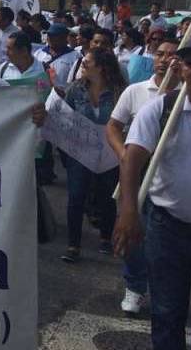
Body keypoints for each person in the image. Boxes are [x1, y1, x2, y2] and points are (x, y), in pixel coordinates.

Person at [114, 36, 191, 350]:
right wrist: (129, 212)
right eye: (189, 64)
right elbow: (131, 160)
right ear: (180, 68)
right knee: (166, 315)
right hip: (167, 230)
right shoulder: (160, 110)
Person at [105, 40, 179, 315]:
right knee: (132, 231)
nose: (165, 60)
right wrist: (124, 154)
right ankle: (135, 286)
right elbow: (113, 126)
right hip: (137, 175)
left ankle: (165, 291)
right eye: (160, 54)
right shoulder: (135, 91)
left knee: (165, 239)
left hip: (172, 180)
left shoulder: (187, 96)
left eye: (171, 55)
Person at [59, 48, 126, 264]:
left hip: (109, 154)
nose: (82, 66)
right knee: (76, 197)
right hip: (80, 152)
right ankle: (73, 245)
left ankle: (106, 238)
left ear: (102, 68)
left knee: (107, 197)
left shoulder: (119, 92)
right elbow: (64, 115)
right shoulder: (75, 89)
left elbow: (126, 120)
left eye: (87, 63)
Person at [35, 24, 79, 93]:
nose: (49, 38)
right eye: (49, 35)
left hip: (63, 95)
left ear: (64, 38)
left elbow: (77, 81)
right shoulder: (39, 53)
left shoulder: (75, 55)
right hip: (41, 93)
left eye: (53, 36)